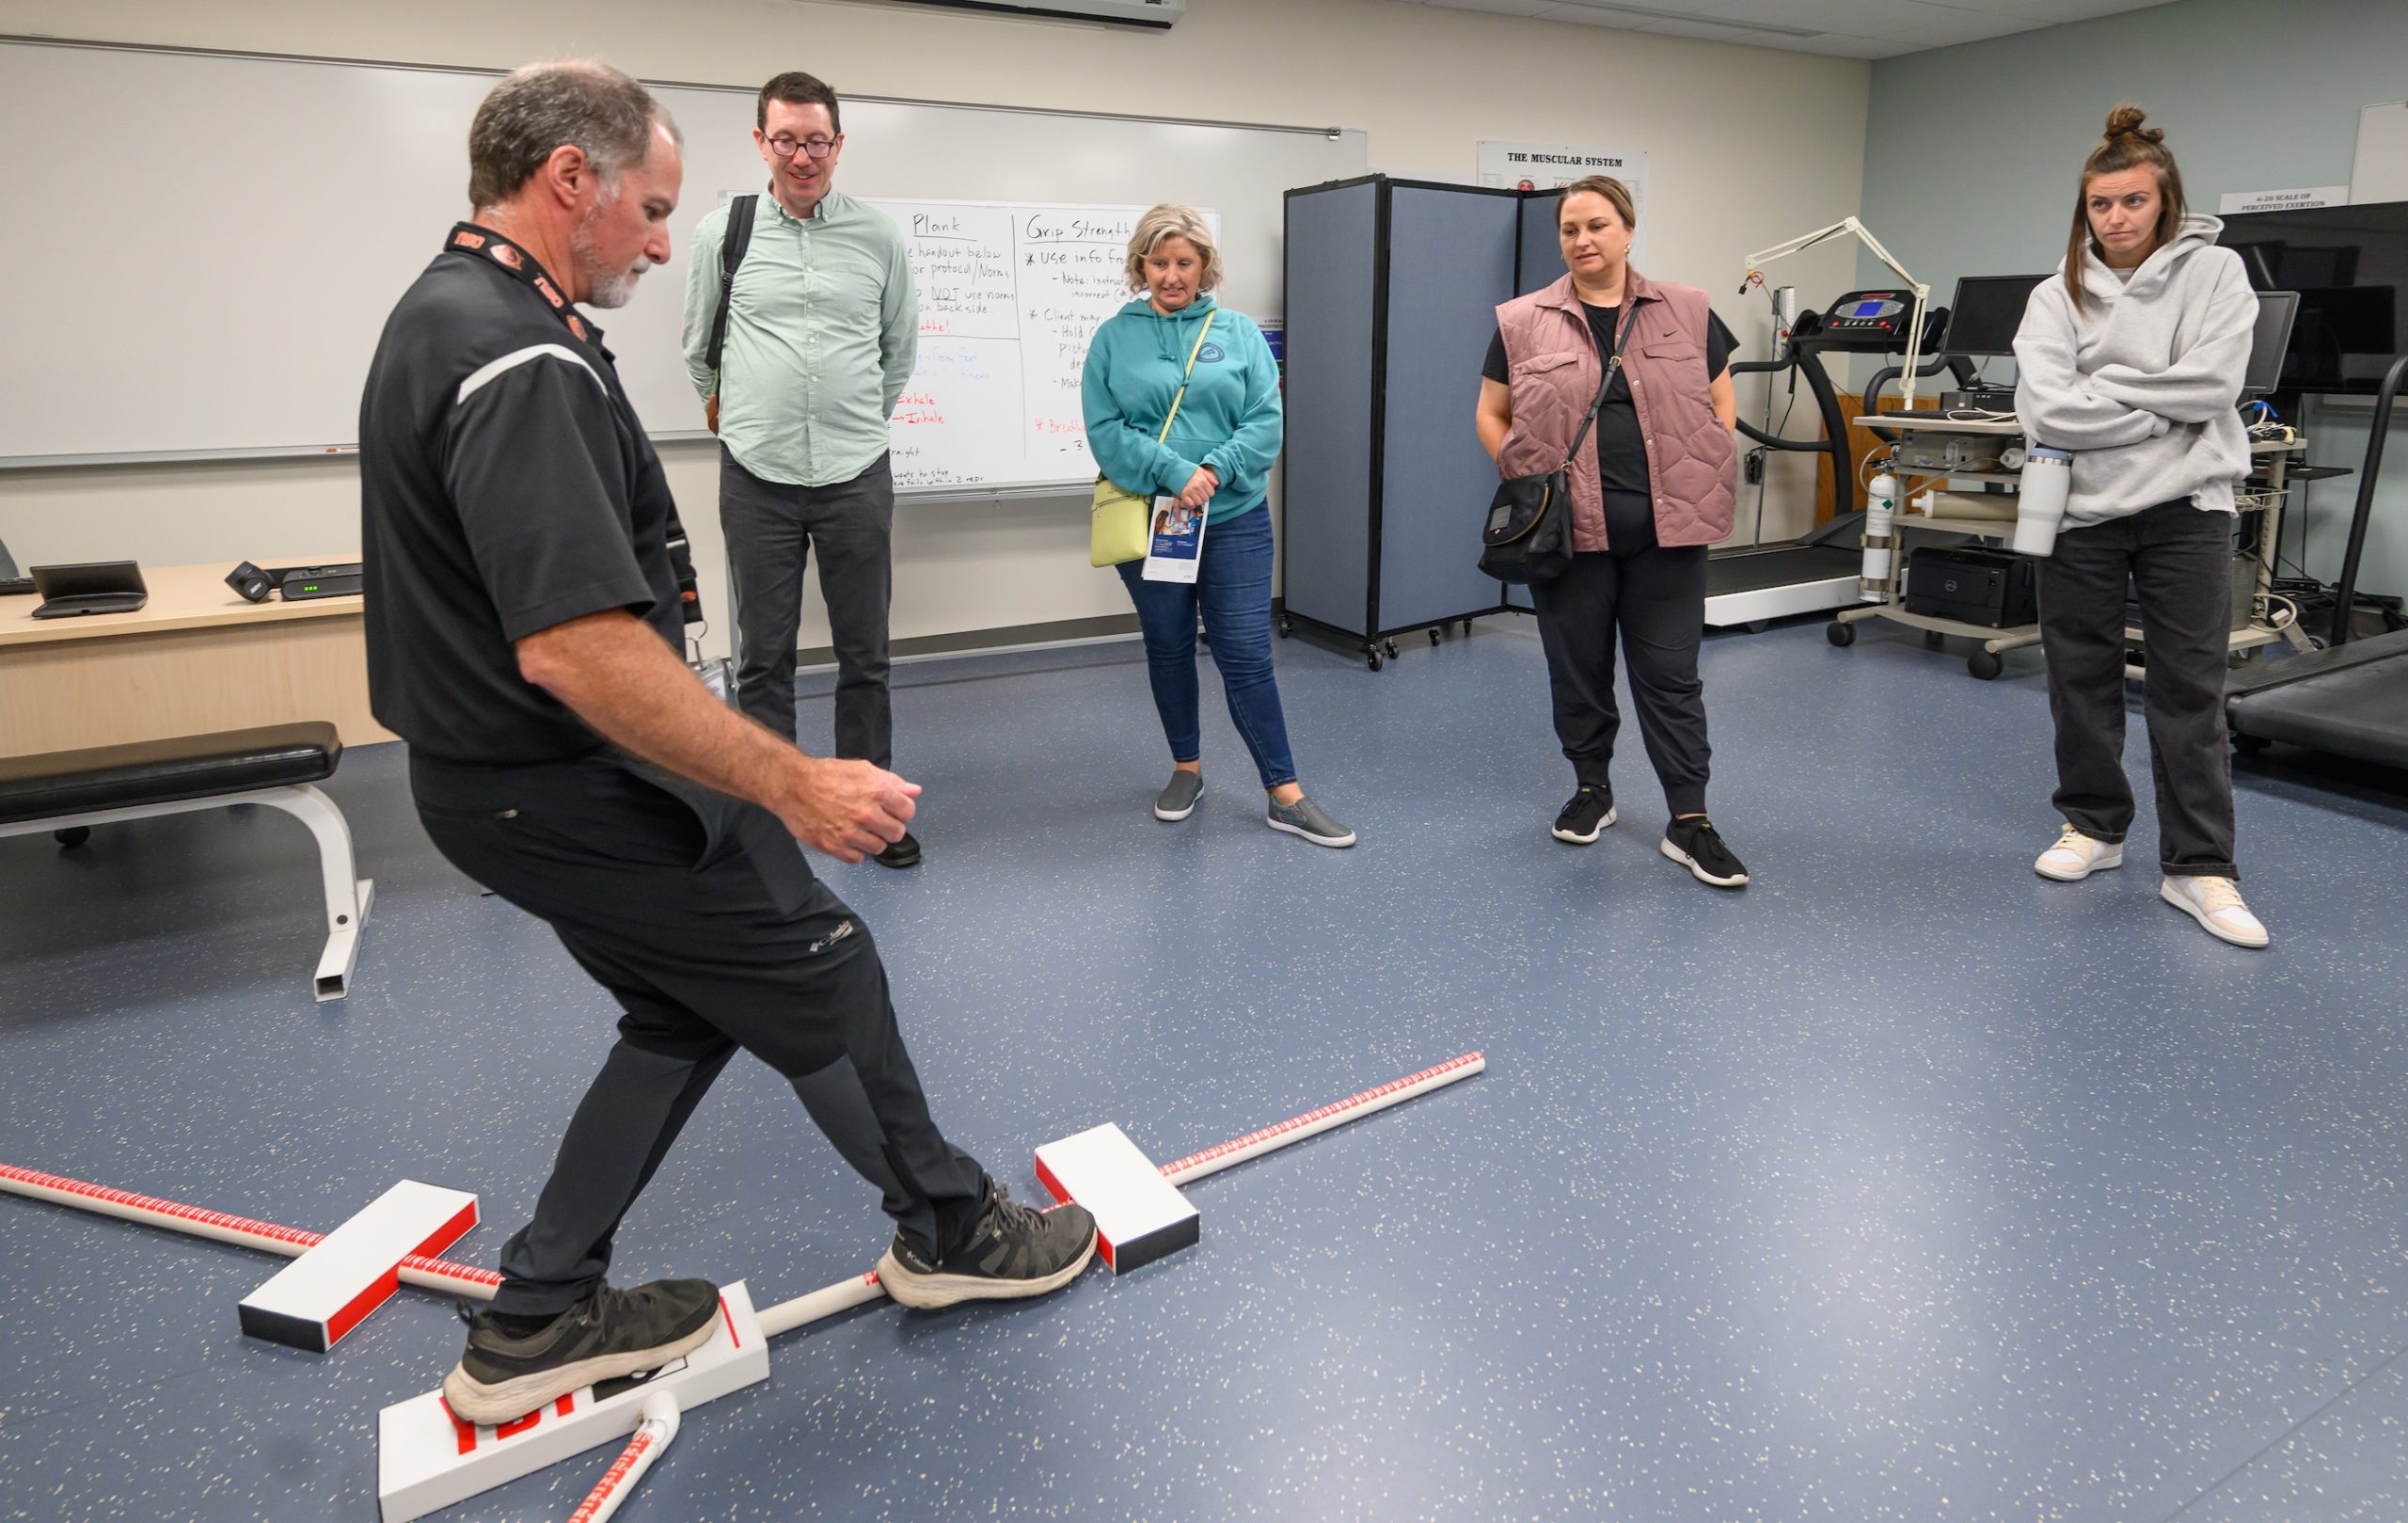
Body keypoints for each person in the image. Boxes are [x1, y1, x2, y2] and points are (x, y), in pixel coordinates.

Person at [359, 61, 1094, 1427]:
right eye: (649, 209)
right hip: (565, 776)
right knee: (823, 959)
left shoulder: (454, 309)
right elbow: (576, 647)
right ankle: (950, 1228)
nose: (659, 242)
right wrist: (788, 777)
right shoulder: (518, 359)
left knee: (685, 1002)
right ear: (567, 179)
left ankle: (540, 1309)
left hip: (493, 782)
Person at [2014, 105, 2267, 948]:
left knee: (2189, 689)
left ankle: (2199, 865)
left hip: (2187, 509)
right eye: (2101, 204)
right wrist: (2158, 402)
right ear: (2083, 209)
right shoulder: (2054, 294)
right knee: (2077, 677)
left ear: (2165, 202)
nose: (2116, 218)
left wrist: (2105, 388)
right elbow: (2049, 411)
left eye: (2132, 201)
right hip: (2079, 511)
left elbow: (2213, 388)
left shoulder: (2216, 272)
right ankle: (2095, 825)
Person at [1474, 176, 1748, 888]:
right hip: (1569, 538)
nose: (1582, 240)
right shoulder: (1522, 321)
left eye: (1597, 225)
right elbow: (1491, 413)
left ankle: (1689, 819)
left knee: (1670, 677)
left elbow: (1721, 402)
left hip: (1669, 534)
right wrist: (1526, 478)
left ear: (1628, 231)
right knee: (1579, 670)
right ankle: (1592, 788)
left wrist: (1704, 462)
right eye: (1570, 229)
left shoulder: (1687, 310)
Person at [681, 70, 923, 868]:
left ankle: (873, 815)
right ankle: (769, 825)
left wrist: (851, 419)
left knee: (866, 658)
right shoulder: (723, 232)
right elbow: (699, 349)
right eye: (786, 140)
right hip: (758, 476)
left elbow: (897, 351)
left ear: (838, 144)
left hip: (856, 472)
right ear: (761, 143)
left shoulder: (878, 236)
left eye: (817, 141)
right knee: (764, 659)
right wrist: (748, 418)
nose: (802, 156)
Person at [1083, 203, 1354, 847]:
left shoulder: (1237, 332)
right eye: (1158, 262)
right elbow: (1105, 429)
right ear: (1141, 266)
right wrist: (1175, 472)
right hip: (1153, 521)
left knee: (1247, 654)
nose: (1171, 275)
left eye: (1184, 262)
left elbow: (1265, 421)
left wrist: (1215, 468)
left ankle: (1284, 794)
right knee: (1169, 646)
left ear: (1205, 265)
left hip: (1235, 520)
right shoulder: (1113, 338)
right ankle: (1187, 769)